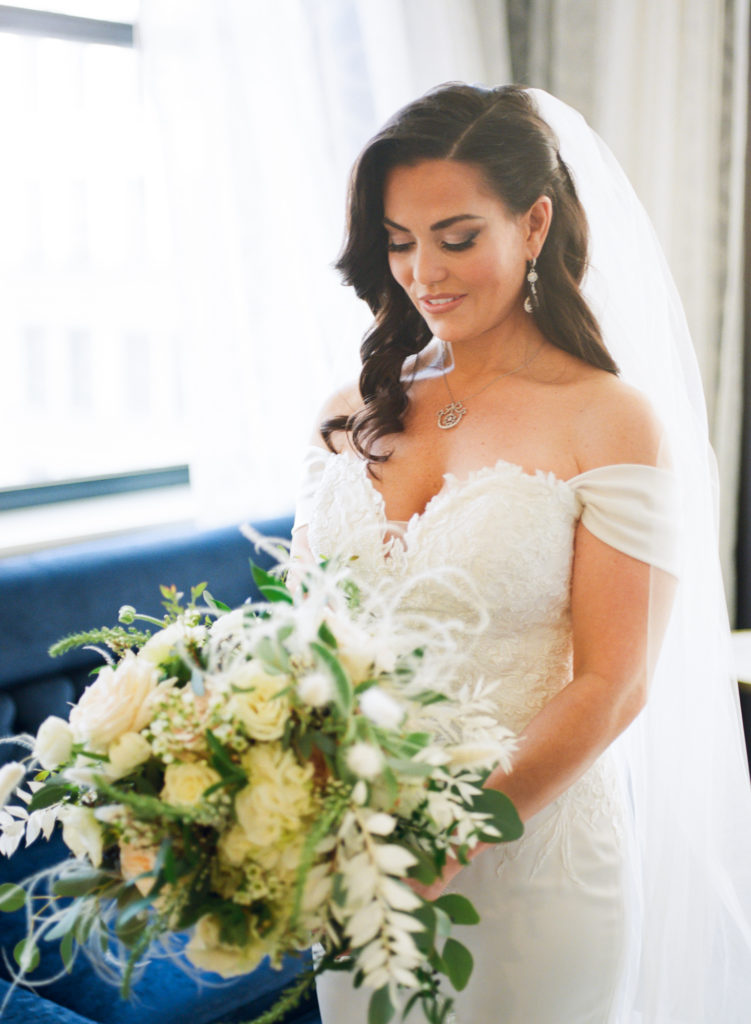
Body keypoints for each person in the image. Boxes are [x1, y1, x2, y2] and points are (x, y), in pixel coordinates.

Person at [290, 84, 751, 1023]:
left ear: (534, 222)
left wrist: (452, 837)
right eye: (398, 240)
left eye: (457, 238)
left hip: (528, 867)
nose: (424, 272)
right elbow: (313, 639)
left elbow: (613, 684)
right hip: (352, 863)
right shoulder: (348, 411)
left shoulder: (607, 419)